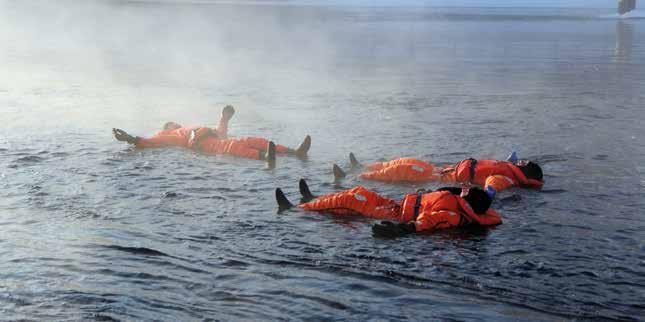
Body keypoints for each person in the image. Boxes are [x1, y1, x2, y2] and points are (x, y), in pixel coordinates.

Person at [275, 179, 501, 238]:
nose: (462, 191)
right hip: (396, 206)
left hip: (395, 215)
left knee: (351, 201)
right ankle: (313, 200)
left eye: (465, 192)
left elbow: (428, 221)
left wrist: (400, 230)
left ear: (468, 201)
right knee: (360, 191)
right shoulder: (459, 203)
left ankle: (297, 209)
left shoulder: (453, 215)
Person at [112, 105, 311, 167]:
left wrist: (224, 118)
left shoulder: (191, 128)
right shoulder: (168, 135)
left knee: (252, 140)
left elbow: (221, 132)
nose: (176, 122)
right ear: (168, 126)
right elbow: (149, 142)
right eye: (172, 122)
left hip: (217, 140)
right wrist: (130, 138)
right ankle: (265, 158)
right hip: (208, 148)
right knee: (233, 148)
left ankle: (295, 152)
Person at [333, 152, 543, 198]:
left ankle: (352, 178)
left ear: (525, 170)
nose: (521, 161)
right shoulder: (510, 168)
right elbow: (508, 162)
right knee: (407, 162)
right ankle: (362, 165)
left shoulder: (506, 177)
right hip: (442, 170)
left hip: (439, 179)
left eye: (524, 163)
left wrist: (487, 194)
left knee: (403, 170)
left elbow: (492, 183)